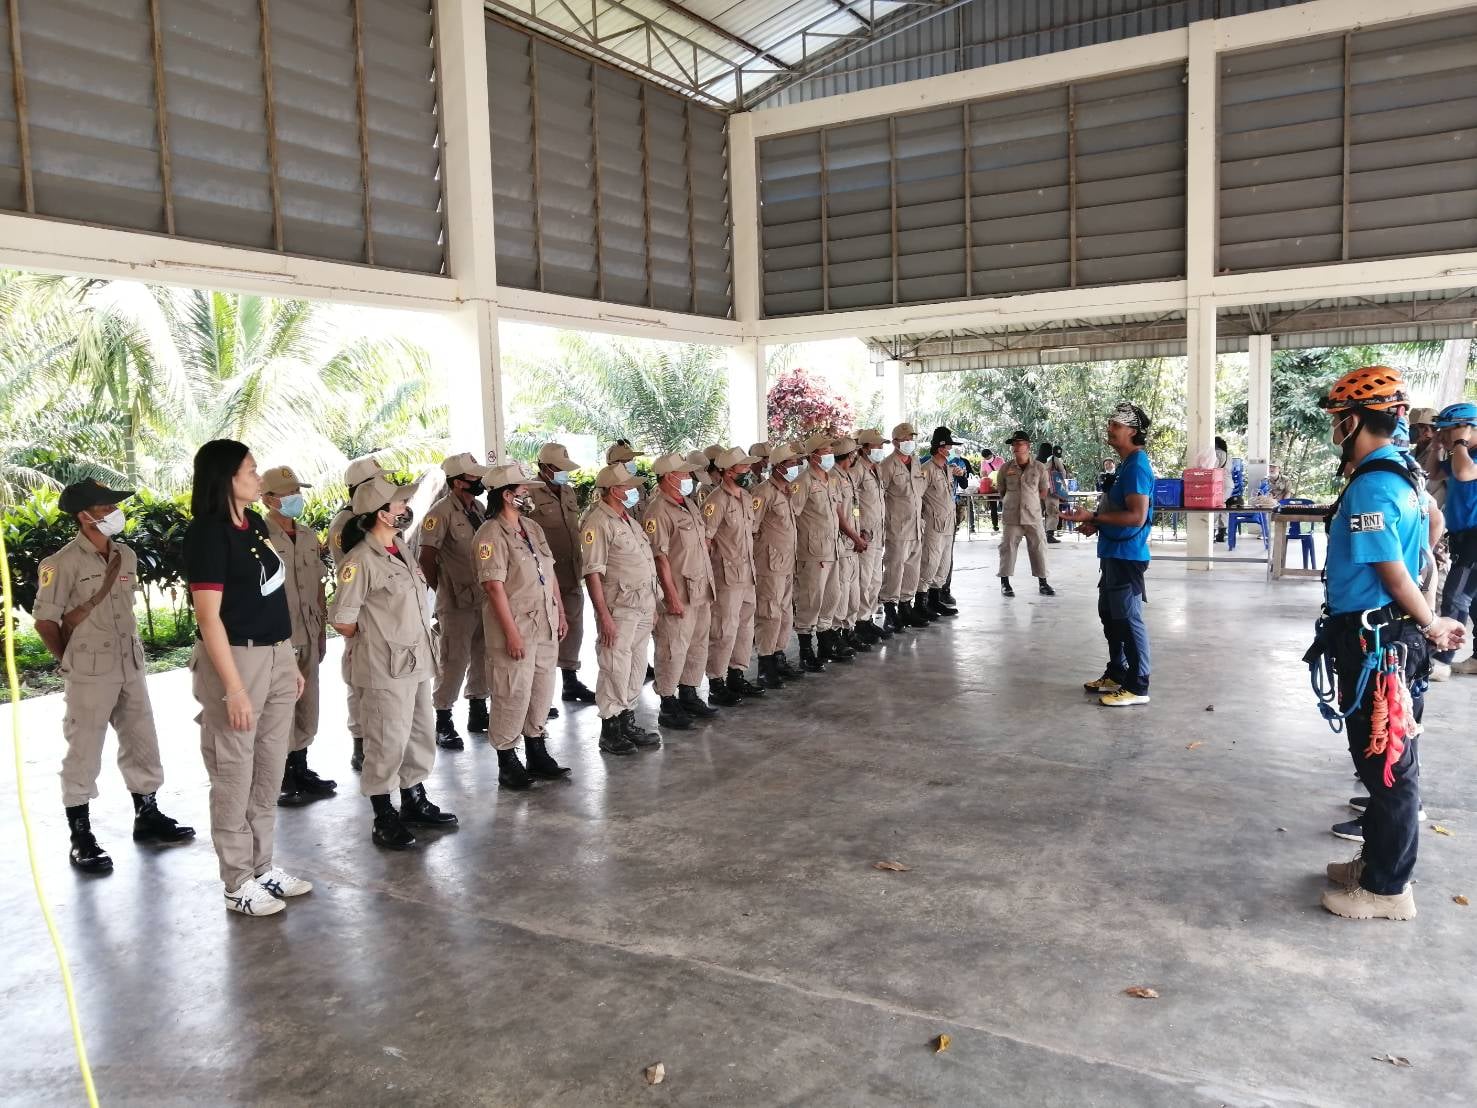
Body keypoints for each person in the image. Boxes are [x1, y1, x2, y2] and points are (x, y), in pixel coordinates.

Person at [1304, 365, 1463, 920]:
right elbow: (1436, 524)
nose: (1333, 430)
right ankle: (1374, 866)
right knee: (1380, 758)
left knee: (1388, 765)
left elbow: (1392, 569)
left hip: (1381, 641)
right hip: (1386, 631)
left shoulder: (1373, 482)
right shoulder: (1406, 473)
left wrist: (1429, 620)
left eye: (1335, 421)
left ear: (1352, 422)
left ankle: (1387, 890)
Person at [32, 479, 194, 875]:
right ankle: (81, 834)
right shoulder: (61, 563)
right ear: (84, 516)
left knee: (142, 739)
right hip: (88, 670)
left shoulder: (125, 554)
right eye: (105, 507)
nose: (113, 513)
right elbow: (44, 621)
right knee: (83, 748)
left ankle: (147, 814)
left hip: (130, 664)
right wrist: (69, 659)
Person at [184, 440, 310, 916]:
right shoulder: (208, 535)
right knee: (234, 771)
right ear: (226, 478)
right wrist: (233, 687)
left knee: (268, 766)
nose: (259, 479)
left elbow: (269, 598)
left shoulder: (253, 524)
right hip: (236, 662)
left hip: (275, 655)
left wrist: (288, 662)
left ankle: (263, 867)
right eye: (252, 471)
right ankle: (237, 881)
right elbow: (209, 619)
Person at [330, 475, 458, 850]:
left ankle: (414, 798)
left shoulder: (400, 548)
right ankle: (384, 814)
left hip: (416, 660)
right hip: (383, 666)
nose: (404, 508)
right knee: (387, 741)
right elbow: (343, 620)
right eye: (398, 504)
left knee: (418, 733)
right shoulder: (360, 560)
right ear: (381, 515)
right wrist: (374, 638)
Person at [473, 462, 572, 789]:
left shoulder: (532, 527)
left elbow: (550, 572)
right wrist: (512, 633)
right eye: (522, 491)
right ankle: (507, 758)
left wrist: (559, 610)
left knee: (542, 689)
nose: (527, 494)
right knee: (512, 692)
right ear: (505, 495)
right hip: (515, 627)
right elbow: (493, 587)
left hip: (544, 621)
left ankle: (536, 749)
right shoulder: (490, 534)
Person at [1060, 405, 1155, 707]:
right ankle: (1117, 672)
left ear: (1132, 431)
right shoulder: (1125, 464)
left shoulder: (1138, 466)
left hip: (1128, 556)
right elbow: (1118, 510)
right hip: (1113, 553)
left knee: (1128, 619)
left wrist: (1095, 517)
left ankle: (1139, 685)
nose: (1110, 428)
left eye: (1116, 424)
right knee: (1110, 617)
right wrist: (1095, 521)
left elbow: (1137, 517)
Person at [261, 465, 335, 806]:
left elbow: (317, 584)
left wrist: (321, 629)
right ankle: (281, 775)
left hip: (307, 629)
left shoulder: (306, 535)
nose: (296, 499)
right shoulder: (258, 537)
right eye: (288, 494)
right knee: (280, 705)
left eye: (297, 493)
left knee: (308, 702)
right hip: (278, 634)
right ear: (268, 499)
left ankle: (301, 766)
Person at [582, 462, 662, 755]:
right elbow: (593, 573)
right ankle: (610, 728)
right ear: (615, 490)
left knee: (635, 666)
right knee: (615, 666)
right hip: (619, 607)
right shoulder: (598, 523)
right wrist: (603, 616)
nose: (634, 490)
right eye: (628, 486)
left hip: (642, 604)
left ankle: (627, 719)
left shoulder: (627, 519)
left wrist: (653, 603)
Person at [420, 452, 492, 751]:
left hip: (483, 597)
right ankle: (443, 718)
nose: (478, 482)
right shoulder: (440, 513)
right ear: (457, 482)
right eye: (473, 478)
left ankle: (478, 708)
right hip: (456, 601)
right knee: (453, 660)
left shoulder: (478, 507)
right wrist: (442, 590)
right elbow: (426, 558)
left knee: (482, 654)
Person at [642, 452, 718, 728]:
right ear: (667, 477)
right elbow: (659, 558)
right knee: (672, 647)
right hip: (678, 592)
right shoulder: (657, 511)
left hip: (700, 588)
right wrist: (670, 596)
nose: (688, 478)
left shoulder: (688, 503)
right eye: (683, 474)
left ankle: (689, 692)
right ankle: (667, 701)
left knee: (697, 645)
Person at [527, 442, 598, 710]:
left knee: (574, 629)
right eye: (558, 469)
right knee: (545, 635)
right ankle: (540, 696)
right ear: (544, 468)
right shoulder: (530, 496)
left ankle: (570, 681)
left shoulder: (567, 491)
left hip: (571, 573)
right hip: (543, 581)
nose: (563, 474)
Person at [329, 454, 388, 773]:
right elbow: (352, 570)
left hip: (386, 616)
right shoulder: (346, 524)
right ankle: (361, 742)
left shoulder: (379, 518)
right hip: (362, 614)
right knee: (359, 681)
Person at [1428, 402, 1477, 683]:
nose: (1445, 437)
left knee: (1456, 596)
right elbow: (1435, 473)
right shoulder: (1462, 454)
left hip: (1476, 537)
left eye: (1448, 431)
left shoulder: (1465, 457)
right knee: (1474, 600)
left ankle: (1442, 660)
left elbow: (1463, 473)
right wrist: (1437, 446)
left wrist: (1459, 441)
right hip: (1463, 536)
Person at [752, 442, 807, 686]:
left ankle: (778, 655)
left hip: (787, 563)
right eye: (792, 463)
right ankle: (765, 664)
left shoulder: (788, 490)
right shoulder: (764, 492)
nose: (796, 466)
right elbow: (751, 529)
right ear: (779, 466)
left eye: (797, 462)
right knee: (769, 613)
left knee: (785, 614)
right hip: (769, 565)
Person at [794, 433, 845, 670]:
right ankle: (806, 650)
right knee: (810, 600)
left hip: (833, 548)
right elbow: (791, 516)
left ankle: (826, 642)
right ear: (814, 456)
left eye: (830, 451)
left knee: (832, 596)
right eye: (825, 452)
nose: (829, 455)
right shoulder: (803, 482)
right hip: (812, 552)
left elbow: (836, 512)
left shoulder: (831, 479)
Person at [878, 422, 929, 632]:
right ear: (896, 441)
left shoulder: (916, 462)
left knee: (912, 570)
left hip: (916, 526)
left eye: (911, 438)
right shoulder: (887, 466)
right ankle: (890, 610)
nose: (909, 442)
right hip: (897, 528)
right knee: (895, 569)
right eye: (905, 439)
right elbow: (880, 496)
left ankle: (906, 607)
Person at [994, 431, 1055, 598]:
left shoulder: (1039, 467)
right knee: (1007, 548)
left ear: (1028, 446)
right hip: (1012, 516)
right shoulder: (1005, 468)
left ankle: (1043, 582)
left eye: (1019, 443)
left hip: (1033, 515)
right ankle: (1005, 584)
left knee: (1039, 547)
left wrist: (1030, 502)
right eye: (1013, 444)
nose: (1015, 447)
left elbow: (1043, 491)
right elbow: (1002, 490)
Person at [825, 437, 871, 657]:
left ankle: (848, 631)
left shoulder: (847, 477)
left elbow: (853, 510)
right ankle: (836, 635)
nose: (856, 457)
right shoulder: (833, 477)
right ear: (849, 456)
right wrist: (854, 536)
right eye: (854, 454)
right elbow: (839, 515)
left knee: (853, 593)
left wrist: (859, 532)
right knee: (841, 593)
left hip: (852, 543)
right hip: (844, 545)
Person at [918, 427, 960, 619]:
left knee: (943, 563)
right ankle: (921, 602)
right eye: (948, 446)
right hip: (933, 524)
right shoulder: (926, 469)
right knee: (929, 562)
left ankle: (935, 600)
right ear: (940, 448)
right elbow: (918, 497)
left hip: (948, 523)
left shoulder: (947, 469)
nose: (950, 449)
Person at [852, 429, 889, 642]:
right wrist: (858, 526)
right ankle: (860, 622)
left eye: (881, 446)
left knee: (875, 579)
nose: (880, 450)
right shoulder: (857, 471)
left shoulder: (876, 469)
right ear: (865, 449)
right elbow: (852, 503)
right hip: (865, 534)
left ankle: (868, 618)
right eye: (876, 446)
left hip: (878, 532)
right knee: (864, 580)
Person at [1038, 442, 1065, 543]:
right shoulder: (1054, 459)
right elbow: (1062, 472)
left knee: (1037, 511)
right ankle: (1049, 535)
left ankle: (1036, 534)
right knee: (1052, 512)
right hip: (1051, 489)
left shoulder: (1035, 461)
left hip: (1037, 490)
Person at [979, 449, 1003, 532]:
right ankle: (995, 525)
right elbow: (982, 474)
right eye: (986, 458)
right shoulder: (983, 462)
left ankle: (1007, 524)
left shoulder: (999, 460)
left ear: (991, 454)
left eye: (988, 457)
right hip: (990, 487)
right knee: (993, 507)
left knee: (1004, 505)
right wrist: (985, 477)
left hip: (1001, 486)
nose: (987, 459)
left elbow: (1004, 472)